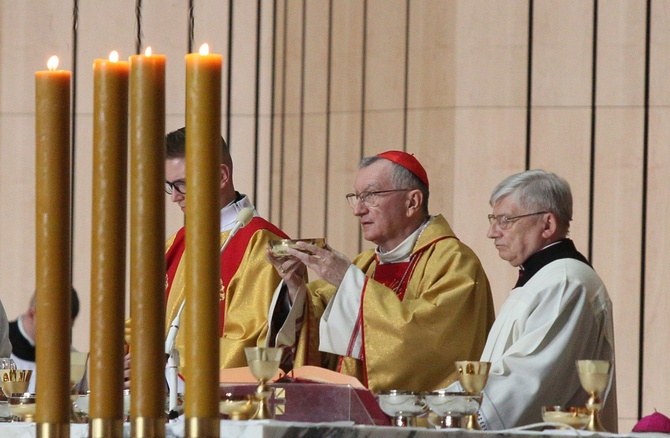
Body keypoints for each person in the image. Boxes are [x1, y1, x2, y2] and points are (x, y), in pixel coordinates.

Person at [266, 150, 495, 392]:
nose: (358, 210)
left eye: (371, 195)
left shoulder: (455, 262)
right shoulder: (366, 264)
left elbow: (425, 342)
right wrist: (294, 287)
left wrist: (349, 282)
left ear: (412, 202)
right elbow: (316, 329)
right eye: (356, 197)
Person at [455, 169, 617, 431]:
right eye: (493, 219)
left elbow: (528, 381)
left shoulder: (566, 282)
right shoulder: (543, 279)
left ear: (548, 225)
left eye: (505, 220)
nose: (492, 232)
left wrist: (442, 408)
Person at [125, 128, 289, 386]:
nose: (175, 197)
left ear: (221, 176)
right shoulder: (178, 242)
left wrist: (167, 375)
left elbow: (248, 340)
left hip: (219, 409)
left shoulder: (261, 243)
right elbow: (143, 322)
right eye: (170, 186)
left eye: (183, 184)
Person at [9, 289, 82, 393]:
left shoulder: (73, 359)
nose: (55, 336)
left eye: (63, 329)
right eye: (51, 326)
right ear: (32, 314)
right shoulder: (3, 344)